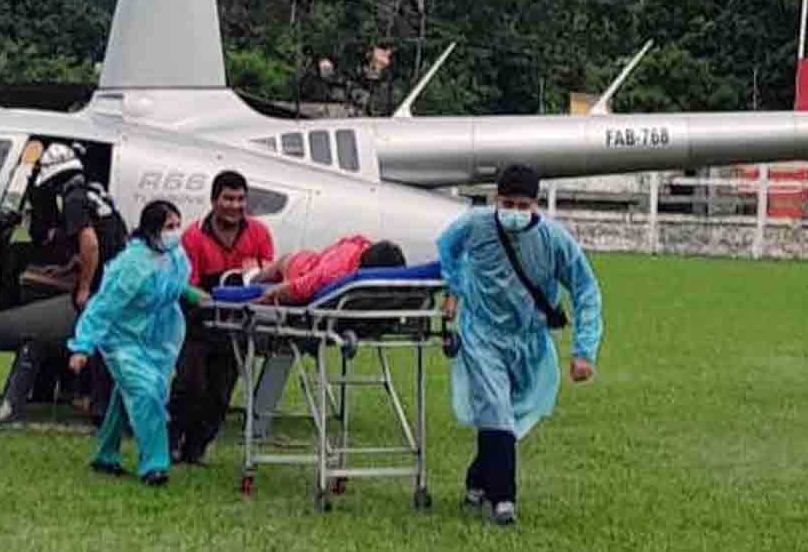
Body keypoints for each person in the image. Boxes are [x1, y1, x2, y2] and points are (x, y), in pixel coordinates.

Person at [437, 163, 603, 525]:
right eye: (507, 203)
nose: (514, 212)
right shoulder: (475, 224)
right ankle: (503, 499)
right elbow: (447, 249)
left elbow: (586, 289)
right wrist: (455, 288)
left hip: (528, 340)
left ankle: (477, 480)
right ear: (496, 200)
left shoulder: (554, 241)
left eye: (522, 205)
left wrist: (583, 350)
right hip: (481, 334)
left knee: (511, 415)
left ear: (536, 205)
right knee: (495, 407)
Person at [67, 200, 203, 485]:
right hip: (123, 340)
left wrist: (189, 293)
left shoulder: (174, 254)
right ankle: (155, 465)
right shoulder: (131, 265)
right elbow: (103, 307)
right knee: (146, 393)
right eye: (169, 227)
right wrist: (83, 347)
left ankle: (106, 455)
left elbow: (173, 283)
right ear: (153, 229)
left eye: (178, 225)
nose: (176, 232)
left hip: (159, 338)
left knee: (127, 393)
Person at [0, 142, 128, 423]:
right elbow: (107, 238)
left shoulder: (73, 200)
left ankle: (95, 401)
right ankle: (95, 397)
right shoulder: (95, 192)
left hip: (106, 277)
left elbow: (91, 245)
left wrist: (83, 287)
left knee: (94, 335)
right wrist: (71, 266)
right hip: (119, 272)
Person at [168, 170, 275, 464]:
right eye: (228, 198)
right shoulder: (193, 236)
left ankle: (197, 448)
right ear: (214, 200)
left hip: (238, 325)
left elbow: (267, 276)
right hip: (199, 323)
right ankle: (171, 441)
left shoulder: (259, 233)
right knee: (190, 385)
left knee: (220, 393)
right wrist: (206, 298)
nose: (235, 205)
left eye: (241, 199)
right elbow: (187, 284)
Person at [250, 236, 405, 304]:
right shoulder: (334, 273)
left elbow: (297, 288)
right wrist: (264, 297)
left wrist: (267, 297)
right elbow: (296, 287)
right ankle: (250, 277)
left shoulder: (340, 271)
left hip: (311, 263)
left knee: (283, 263)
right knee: (277, 267)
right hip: (303, 265)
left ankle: (252, 274)